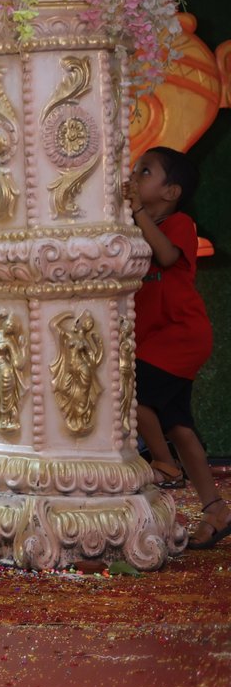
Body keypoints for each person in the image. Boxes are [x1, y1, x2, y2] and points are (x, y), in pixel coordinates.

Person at [128, 147, 224, 549]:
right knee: (179, 426)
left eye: (145, 172)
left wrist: (137, 213)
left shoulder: (179, 223)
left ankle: (165, 464)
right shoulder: (137, 227)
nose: (134, 176)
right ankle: (216, 510)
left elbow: (166, 256)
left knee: (132, 391)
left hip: (181, 335)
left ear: (171, 192)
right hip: (157, 339)